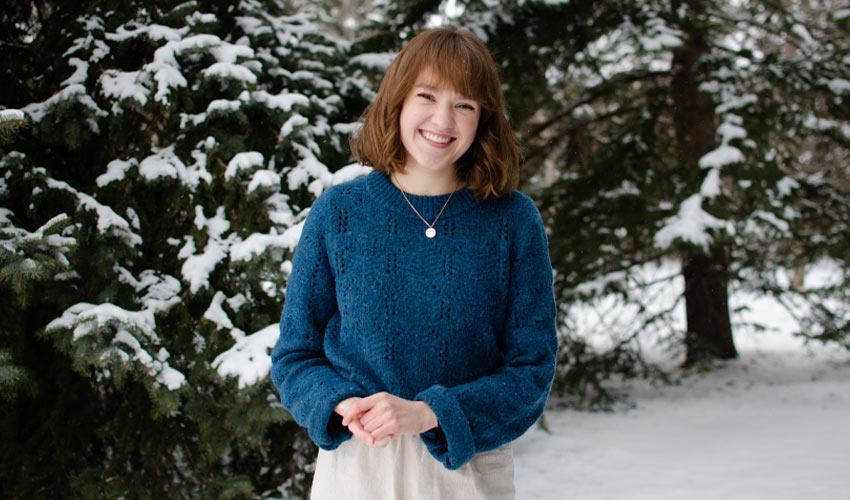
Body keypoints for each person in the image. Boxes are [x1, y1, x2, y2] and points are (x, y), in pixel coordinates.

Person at [270, 27, 557, 499]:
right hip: (358, 469)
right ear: (399, 100)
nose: (443, 119)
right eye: (427, 95)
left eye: (464, 104)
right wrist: (341, 404)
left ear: (483, 118)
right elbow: (295, 356)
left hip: (467, 471)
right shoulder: (338, 214)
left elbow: (531, 370)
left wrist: (430, 413)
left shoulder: (513, 220)